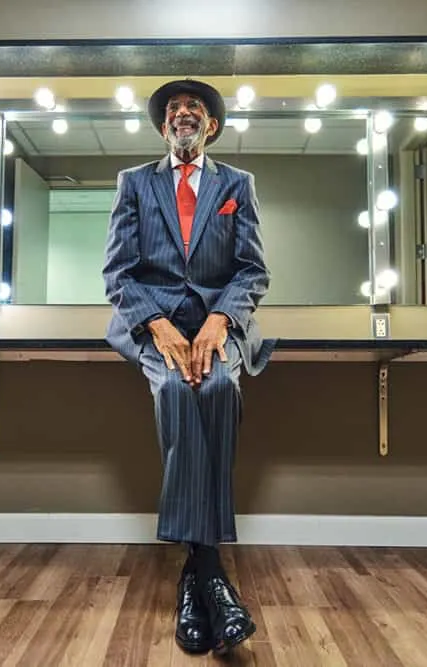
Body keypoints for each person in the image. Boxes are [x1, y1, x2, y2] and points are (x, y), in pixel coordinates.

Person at [102, 78, 275, 655]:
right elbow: (119, 274)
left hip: (214, 329)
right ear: (162, 127)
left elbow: (252, 271)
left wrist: (220, 321)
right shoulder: (133, 183)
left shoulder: (237, 186)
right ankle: (211, 576)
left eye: (193, 109)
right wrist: (158, 324)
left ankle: (194, 575)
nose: (182, 114)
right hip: (158, 332)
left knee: (220, 389)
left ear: (211, 127)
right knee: (178, 394)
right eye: (173, 110)